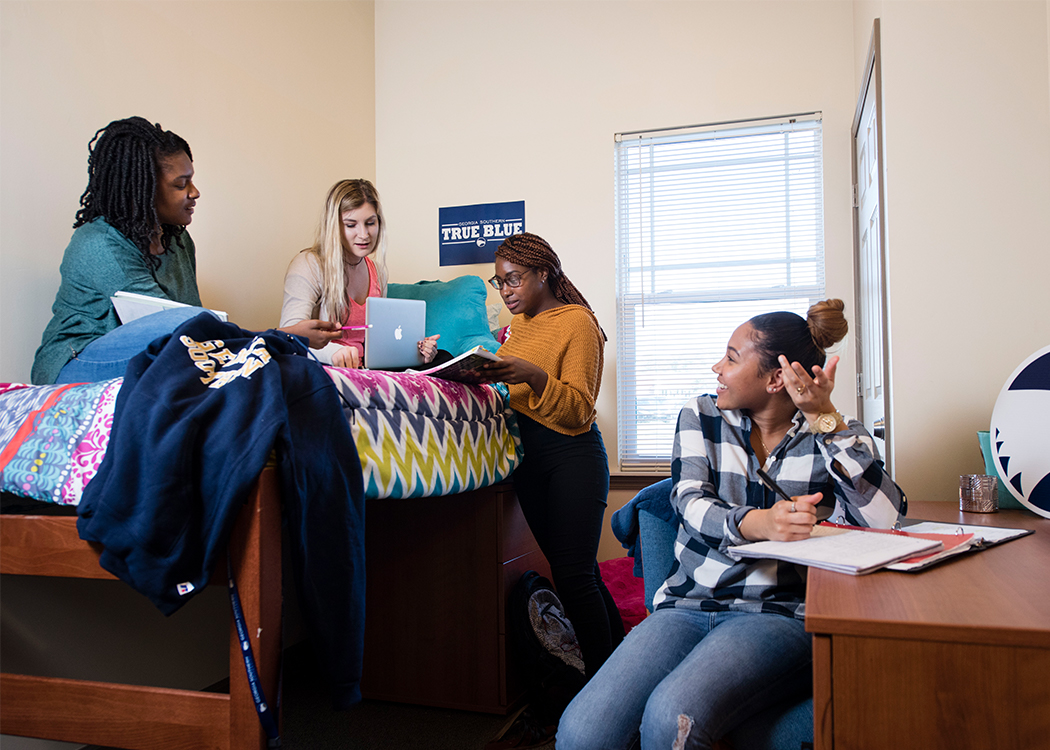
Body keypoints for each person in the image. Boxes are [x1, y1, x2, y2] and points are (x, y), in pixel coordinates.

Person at [555, 300, 907, 750]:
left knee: (671, 719)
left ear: (776, 378)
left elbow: (885, 519)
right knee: (580, 733)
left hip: (778, 615)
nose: (717, 367)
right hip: (687, 605)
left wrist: (826, 419)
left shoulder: (832, 433)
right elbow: (688, 502)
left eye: (732, 358)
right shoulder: (702, 415)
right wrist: (760, 523)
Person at [31, 116, 337, 385]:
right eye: (181, 184)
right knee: (182, 336)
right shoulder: (99, 244)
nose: (195, 192)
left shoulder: (178, 242)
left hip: (156, 349)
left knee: (233, 363)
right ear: (145, 188)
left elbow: (193, 327)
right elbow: (177, 327)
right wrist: (281, 336)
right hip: (75, 363)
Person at [480, 232, 625, 744]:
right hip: (530, 460)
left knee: (572, 575)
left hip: (572, 456)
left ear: (544, 274)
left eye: (514, 280)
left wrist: (536, 377)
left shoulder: (579, 323)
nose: (507, 291)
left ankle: (604, 700)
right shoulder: (519, 326)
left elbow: (579, 410)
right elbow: (510, 387)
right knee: (578, 573)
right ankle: (620, 676)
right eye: (500, 283)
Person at [279, 178, 443, 369]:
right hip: (324, 368)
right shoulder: (309, 264)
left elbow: (381, 342)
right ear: (334, 226)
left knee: (442, 360)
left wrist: (417, 351)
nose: (364, 234)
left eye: (370, 223)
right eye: (351, 225)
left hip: (366, 371)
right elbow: (288, 337)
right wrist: (333, 353)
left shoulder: (378, 272)